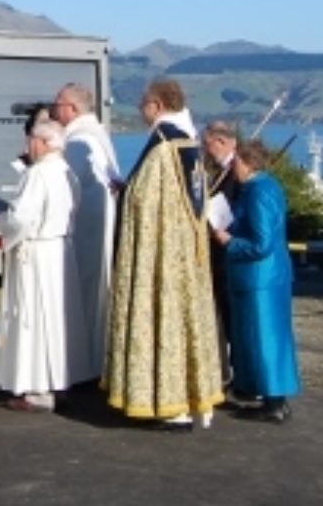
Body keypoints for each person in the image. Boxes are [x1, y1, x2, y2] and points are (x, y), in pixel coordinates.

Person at [104, 79, 222, 429]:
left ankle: (168, 405)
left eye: (143, 102)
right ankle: (185, 399)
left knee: (161, 319)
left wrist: (126, 193)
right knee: (182, 321)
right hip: (186, 256)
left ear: (156, 105)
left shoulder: (162, 146)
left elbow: (146, 201)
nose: (141, 109)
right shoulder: (189, 144)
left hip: (161, 254)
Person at [0, 119, 90, 412]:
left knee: (33, 319)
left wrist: (2, 221)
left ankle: (36, 388)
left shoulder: (38, 173)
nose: (27, 146)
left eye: (31, 140)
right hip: (61, 249)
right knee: (59, 321)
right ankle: (58, 379)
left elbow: (22, 218)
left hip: (37, 253)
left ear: (43, 143)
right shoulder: (67, 173)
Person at [211, 139, 301, 423]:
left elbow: (261, 242)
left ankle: (274, 401)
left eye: (236, 161)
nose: (232, 167)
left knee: (265, 338)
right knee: (257, 336)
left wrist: (229, 241)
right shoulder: (263, 187)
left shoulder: (258, 191)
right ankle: (264, 393)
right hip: (262, 277)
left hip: (259, 277)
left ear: (246, 162)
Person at [52, 82, 119, 374]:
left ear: (73, 109)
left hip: (85, 228)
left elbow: (66, 184)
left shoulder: (79, 141)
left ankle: (84, 363)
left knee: (85, 293)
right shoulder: (97, 134)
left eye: (59, 104)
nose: (55, 109)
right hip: (98, 222)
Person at [202, 120, 244, 394]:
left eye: (207, 145)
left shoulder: (235, 171)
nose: (206, 152)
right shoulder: (221, 171)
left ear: (221, 142)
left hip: (227, 246)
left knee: (233, 315)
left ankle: (238, 373)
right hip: (219, 249)